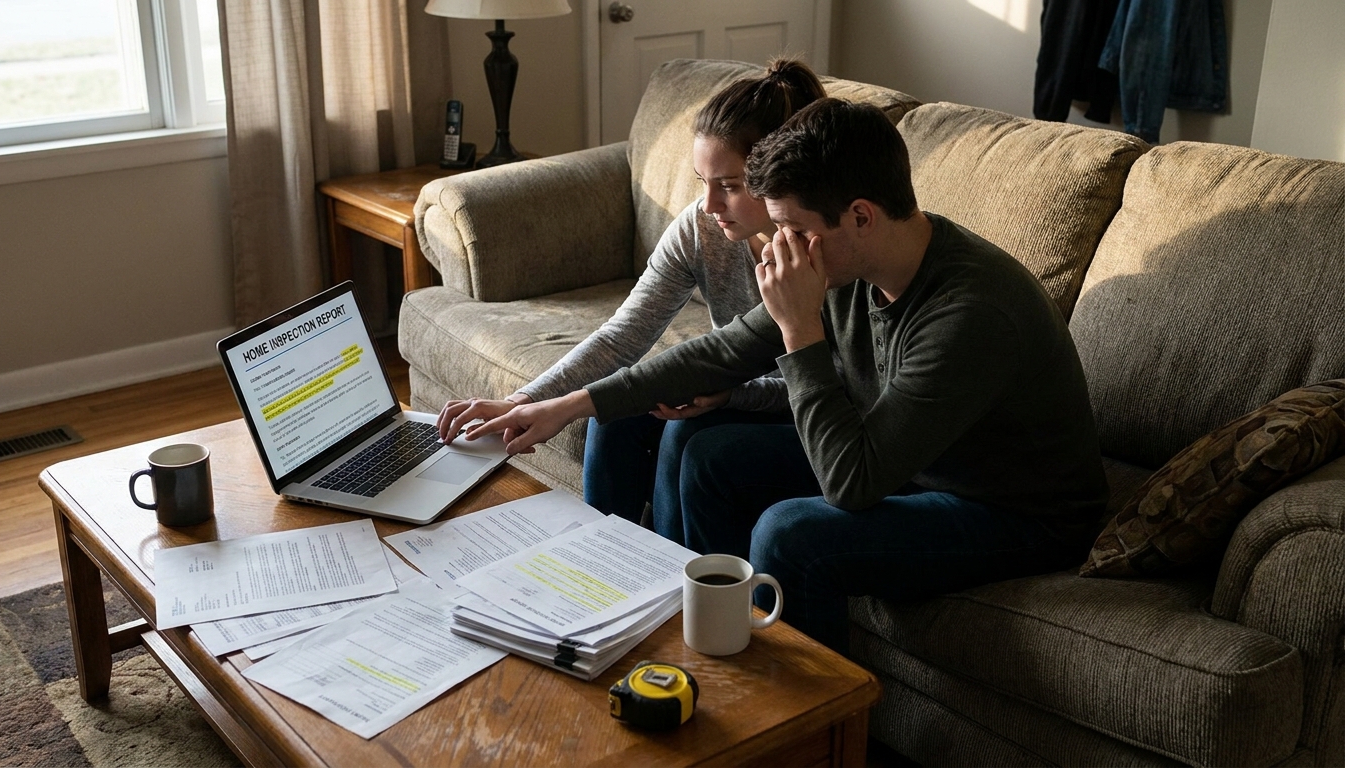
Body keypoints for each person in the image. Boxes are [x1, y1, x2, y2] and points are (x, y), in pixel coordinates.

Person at [462, 98, 1110, 654]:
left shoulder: (972, 313)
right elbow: (721, 352)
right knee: (708, 453)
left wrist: (801, 330)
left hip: (1011, 511)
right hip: (910, 458)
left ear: (860, 216)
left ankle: (801, 727)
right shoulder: (846, 266)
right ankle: (709, 647)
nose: (779, 250)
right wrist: (567, 405)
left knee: (791, 535)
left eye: (793, 230)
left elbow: (852, 483)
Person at [437, 60, 826, 536]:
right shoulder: (703, 227)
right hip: (731, 387)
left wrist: (732, 395)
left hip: (803, 411)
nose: (708, 205)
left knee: (688, 433)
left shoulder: (827, 255)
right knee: (614, 412)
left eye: (729, 186)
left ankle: (670, 585)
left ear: (780, 176)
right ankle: (603, 565)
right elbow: (623, 338)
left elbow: (836, 389)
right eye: (703, 182)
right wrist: (524, 400)